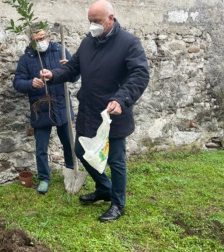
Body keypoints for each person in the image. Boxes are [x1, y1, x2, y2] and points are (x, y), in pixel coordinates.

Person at [40, 0, 149, 221]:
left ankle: (118, 204)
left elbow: (139, 74)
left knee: (115, 160)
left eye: (97, 21)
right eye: (90, 21)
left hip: (113, 112)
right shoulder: (88, 42)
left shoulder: (129, 43)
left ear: (110, 18)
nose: (92, 26)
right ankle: (104, 188)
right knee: (81, 151)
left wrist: (121, 99)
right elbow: (73, 67)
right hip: (89, 109)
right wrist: (54, 74)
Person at [13, 25, 79, 194]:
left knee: (68, 143)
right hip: (40, 107)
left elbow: (75, 75)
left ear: (48, 37)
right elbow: (17, 82)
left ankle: (72, 172)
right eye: (36, 40)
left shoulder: (60, 52)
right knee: (41, 147)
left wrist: (69, 68)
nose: (40, 42)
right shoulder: (26, 59)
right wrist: (30, 84)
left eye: (42, 38)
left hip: (61, 104)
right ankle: (44, 178)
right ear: (31, 41)